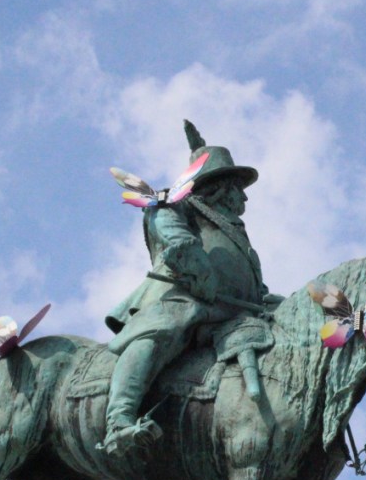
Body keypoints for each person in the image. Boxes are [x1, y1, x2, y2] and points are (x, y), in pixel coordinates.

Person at [99, 121, 267, 456]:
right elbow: (167, 226)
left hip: (233, 314)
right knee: (162, 331)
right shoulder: (180, 205)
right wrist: (197, 266)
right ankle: (119, 420)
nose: (244, 196)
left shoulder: (237, 233)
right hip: (185, 297)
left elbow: (254, 288)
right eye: (238, 187)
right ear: (220, 187)